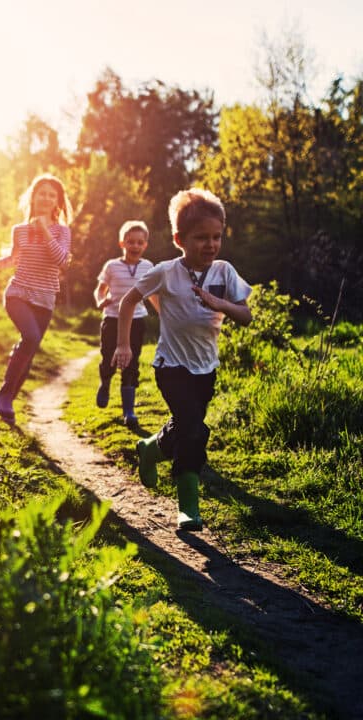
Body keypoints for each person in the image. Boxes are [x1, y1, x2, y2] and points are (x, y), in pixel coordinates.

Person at [112, 188, 252, 531]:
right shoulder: (165, 271)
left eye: (216, 236)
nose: (211, 244)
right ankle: (188, 506)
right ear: (179, 239)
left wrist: (222, 305)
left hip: (207, 369)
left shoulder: (224, 272)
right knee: (194, 428)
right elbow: (128, 302)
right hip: (171, 366)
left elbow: (246, 315)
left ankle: (151, 449)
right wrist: (124, 346)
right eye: (201, 237)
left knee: (186, 425)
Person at [0, 173, 73, 426]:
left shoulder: (62, 231)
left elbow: (61, 261)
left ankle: (8, 399)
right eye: (41, 192)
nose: (46, 198)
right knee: (31, 337)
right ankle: (5, 395)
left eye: (51, 194)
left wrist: (45, 231)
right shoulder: (19, 230)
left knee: (29, 349)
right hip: (18, 293)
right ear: (33, 197)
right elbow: (15, 258)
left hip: (45, 299)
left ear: (57, 202)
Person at [94, 220, 158, 425]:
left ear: (145, 245)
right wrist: (100, 301)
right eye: (131, 242)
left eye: (140, 243)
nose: (135, 246)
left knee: (131, 362)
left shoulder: (148, 267)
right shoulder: (111, 266)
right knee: (109, 359)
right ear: (122, 243)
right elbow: (100, 290)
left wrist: (165, 316)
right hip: (112, 319)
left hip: (136, 320)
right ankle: (105, 383)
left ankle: (128, 412)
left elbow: (154, 294)